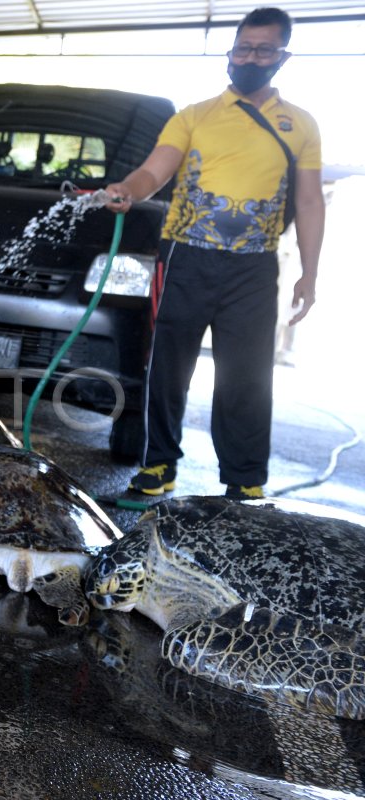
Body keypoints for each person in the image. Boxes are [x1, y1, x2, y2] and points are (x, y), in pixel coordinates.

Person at [104, 7, 324, 500]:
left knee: (247, 376)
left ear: (282, 55)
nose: (250, 58)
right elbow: (153, 171)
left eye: (263, 50)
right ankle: (158, 467)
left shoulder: (300, 125)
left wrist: (310, 273)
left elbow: (309, 200)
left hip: (253, 265)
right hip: (186, 258)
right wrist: (127, 189)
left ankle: (245, 479)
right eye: (243, 48)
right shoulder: (195, 115)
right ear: (231, 51)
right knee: (168, 368)